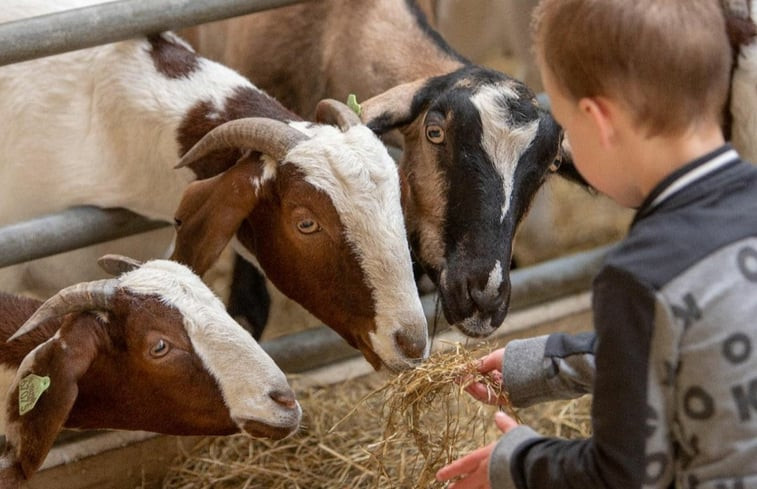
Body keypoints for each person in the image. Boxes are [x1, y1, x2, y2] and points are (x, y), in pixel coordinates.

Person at [435, 0, 757, 487]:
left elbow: (624, 474)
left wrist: (517, 461)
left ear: (599, 121)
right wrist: (546, 365)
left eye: (566, 128)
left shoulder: (640, 273)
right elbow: (696, 343)